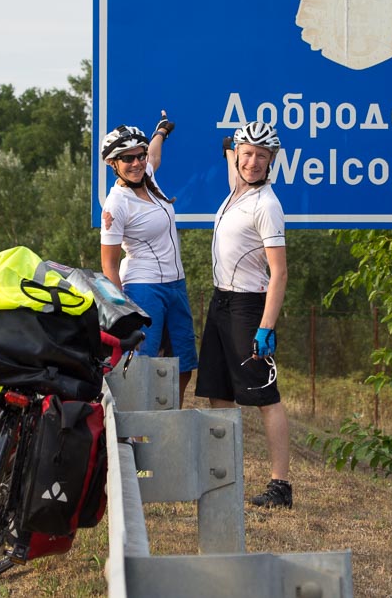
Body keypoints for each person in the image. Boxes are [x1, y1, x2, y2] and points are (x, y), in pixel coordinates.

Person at [195, 120, 292, 509]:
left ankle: (280, 485)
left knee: (265, 395)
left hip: (249, 307)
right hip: (220, 302)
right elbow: (231, 155)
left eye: (261, 157)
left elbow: (280, 272)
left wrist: (266, 327)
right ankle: (225, 475)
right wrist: (231, 147)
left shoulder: (266, 205)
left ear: (272, 161)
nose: (252, 162)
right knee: (219, 393)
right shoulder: (236, 191)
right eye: (246, 154)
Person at [99, 115, 198, 404]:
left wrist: (161, 132)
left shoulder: (148, 176)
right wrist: (122, 312)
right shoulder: (117, 203)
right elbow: (109, 264)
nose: (137, 162)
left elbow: (153, 153)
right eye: (127, 158)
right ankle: (139, 433)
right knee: (141, 365)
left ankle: (169, 420)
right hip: (144, 289)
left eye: (138, 156)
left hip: (176, 286)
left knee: (184, 365)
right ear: (113, 164)